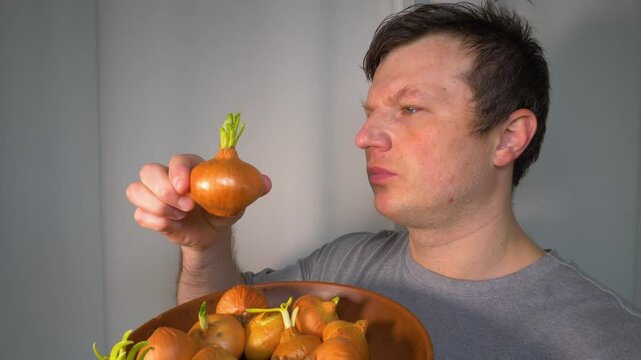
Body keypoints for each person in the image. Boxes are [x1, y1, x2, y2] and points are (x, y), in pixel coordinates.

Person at [126, 2, 641, 358]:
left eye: (410, 108)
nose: (365, 137)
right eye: (371, 113)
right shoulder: (340, 264)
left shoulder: (600, 339)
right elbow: (215, 334)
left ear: (508, 139)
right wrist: (206, 246)